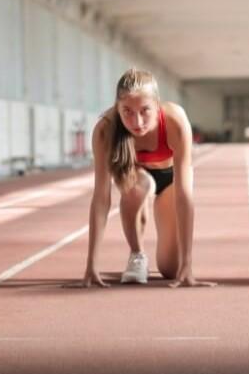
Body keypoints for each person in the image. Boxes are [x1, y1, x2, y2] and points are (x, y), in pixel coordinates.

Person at [82, 68, 215, 288]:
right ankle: (137, 255)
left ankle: (177, 261)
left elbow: (184, 196)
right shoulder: (105, 130)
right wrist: (90, 265)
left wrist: (187, 265)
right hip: (135, 178)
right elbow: (101, 199)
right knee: (137, 184)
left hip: (170, 180)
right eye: (127, 112)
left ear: (157, 105)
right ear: (117, 107)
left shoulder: (175, 121)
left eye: (145, 110)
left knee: (171, 270)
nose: (137, 121)